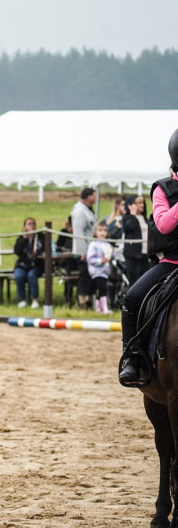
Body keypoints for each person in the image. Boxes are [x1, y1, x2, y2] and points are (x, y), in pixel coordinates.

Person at [119, 128, 178, 386]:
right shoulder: (163, 189)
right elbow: (164, 224)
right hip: (172, 263)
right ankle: (133, 358)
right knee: (131, 298)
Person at [70, 187, 98, 309]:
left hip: (91, 249)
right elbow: (78, 232)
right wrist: (83, 252)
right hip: (83, 251)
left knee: (90, 276)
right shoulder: (80, 211)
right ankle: (81, 301)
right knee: (84, 276)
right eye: (94, 195)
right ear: (89, 197)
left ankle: (88, 300)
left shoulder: (88, 210)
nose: (96, 198)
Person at [13, 217, 44, 309]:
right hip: (22, 264)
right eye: (29, 224)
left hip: (36, 264)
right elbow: (17, 251)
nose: (32, 226)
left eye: (33, 223)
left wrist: (37, 252)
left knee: (31, 275)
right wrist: (24, 238)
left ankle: (35, 299)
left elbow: (46, 249)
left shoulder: (40, 237)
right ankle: (22, 299)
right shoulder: (21, 238)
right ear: (25, 227)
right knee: (19, 275)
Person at [121, 194, 150, 284]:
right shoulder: (127, 219)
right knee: (134, 282)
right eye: (139, 203)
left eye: (142, 203)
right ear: (131, 205)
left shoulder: (145, 218)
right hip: (133, 255)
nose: (142, 205)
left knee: (145, 282)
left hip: (145, 255)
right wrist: (132, 214)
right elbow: (130, 227)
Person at [86, 222, 114, 315]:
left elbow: (111, 257)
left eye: (105, 231)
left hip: (105, 272)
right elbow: (90, 259)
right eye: (100, 230)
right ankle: (104, 308)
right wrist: (101, 261)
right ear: (95, 232)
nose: (102, 233)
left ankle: (98, 308)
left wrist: (113, 252)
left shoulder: (107, 244)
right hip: (96, 271)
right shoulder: (93, 244)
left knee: (101, 289)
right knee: (103, 288)